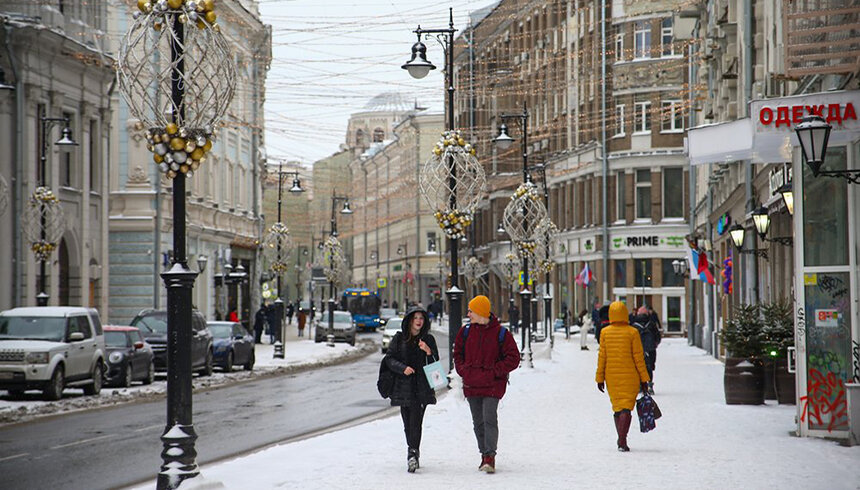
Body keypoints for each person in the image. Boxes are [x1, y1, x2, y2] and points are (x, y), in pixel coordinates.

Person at [453, 295, 520, 474]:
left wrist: (494, 371)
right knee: (478, 422)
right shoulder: (465, 332)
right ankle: (483, 454)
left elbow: (514, 358)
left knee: (489, 418)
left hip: (492, 385)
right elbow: (457, 353)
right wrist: (463, 370)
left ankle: (490, 456)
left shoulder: (501, 334)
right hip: (472, 384)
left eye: (471, 311)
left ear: (481, 312)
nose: (468, 314)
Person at [382, 306, 438, 473]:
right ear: (409, 321)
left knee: (416, 421)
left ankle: (412, 454)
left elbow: (435, 364)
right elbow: (389, 359)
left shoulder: (428, 339)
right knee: (408, 423)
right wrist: (403, 368)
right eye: (416, 318)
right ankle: (413, 451)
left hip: (422, 387)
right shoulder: (399, 339)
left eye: (421, 318)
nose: (419, 321)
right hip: (403, 387)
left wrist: (428, 351)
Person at [595, 301, 650, 452]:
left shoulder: (605, 332)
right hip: (630, 376)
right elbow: (639, 358)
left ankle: (621, 438)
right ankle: (622, 439)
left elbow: (602, 357)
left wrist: (599, 378)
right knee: (627, 407)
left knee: (617, 408)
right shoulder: (632, 332)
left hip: (611, 377)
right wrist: (644, 379)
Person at [633, 306, 662, 393]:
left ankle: (640, 385)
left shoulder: (634, 326)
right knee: (649, 366)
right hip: (650, 348)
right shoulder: (651, 324)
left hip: (638, 349)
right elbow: (657, 335)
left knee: (638, 367)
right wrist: (655, 344)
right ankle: (649, 384)